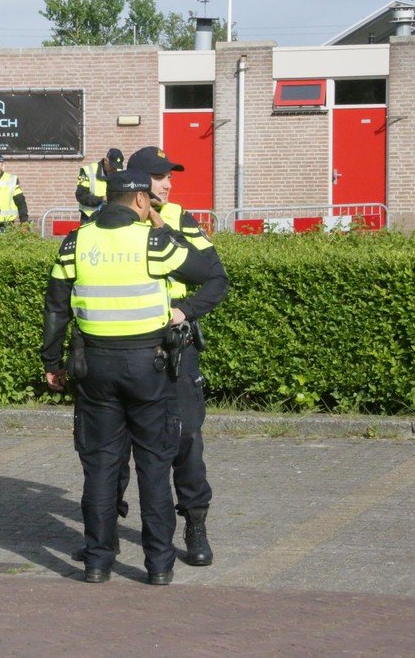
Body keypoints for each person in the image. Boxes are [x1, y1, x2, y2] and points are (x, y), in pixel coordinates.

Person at [40, 169, 225, 585]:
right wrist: (185, 311)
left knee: (101, 467)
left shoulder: (75, 240)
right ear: (141, 200)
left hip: (94, 369)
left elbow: (55, 307)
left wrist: (52, 362)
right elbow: (208, 273)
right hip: (149, 366)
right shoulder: (152, 240)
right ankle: (159, 566)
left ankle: (97, 562)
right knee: (154, 467)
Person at [141, 146, 228, 566]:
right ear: (138, 182)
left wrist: (186, 310)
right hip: (125, 347)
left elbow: (215, 277)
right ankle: (112, 522)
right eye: (160, 177)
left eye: (169, 176)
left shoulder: (179, 217)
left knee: (187, 437)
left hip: (175, 345)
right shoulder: (105, 222)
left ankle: (195, 522)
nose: (168, 183)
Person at [75, 148, 124, 223]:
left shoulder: (120, 172)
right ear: (105, 161)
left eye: (116, 167)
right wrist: (102, 199)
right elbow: (81, 196)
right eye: (112, 166)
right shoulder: (88, 171)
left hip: (112, 217)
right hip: (90, 218)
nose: (114, 170)